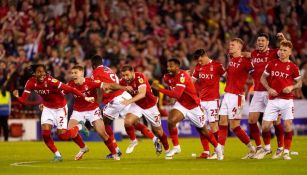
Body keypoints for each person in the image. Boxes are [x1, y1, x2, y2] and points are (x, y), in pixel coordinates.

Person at [13, 64, 93, 161]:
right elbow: (24, 100)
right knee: (45, 134)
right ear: (34, 74)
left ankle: (79, 126)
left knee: (63, 136)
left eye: (43, 71)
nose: (42, 74)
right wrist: (17, 96)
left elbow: (70, 89)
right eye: (39, 72)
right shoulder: (30, 83)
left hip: (60, 108)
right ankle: (57, 155)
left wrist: (85, 97)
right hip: (47, 108)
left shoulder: (51, 81)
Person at [152, 58, 223, 160]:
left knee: (203, 131)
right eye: (168, 66)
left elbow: (177, 93)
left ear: (177, 67)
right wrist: (172, 96)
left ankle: (217, 147)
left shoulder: (183, 76)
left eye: (171, 66)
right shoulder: (166, 77)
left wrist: (159, 89)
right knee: (171, 121)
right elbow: (172, 88)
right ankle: (176, 147)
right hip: (181, 105)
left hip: (193, 106)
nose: (168, 68)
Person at [256, 40, 302, 160]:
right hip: (273, 99)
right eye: (280, 50)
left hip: (287, 101)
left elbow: (300, 83)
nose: (281, 52)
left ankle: (286, 151)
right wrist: (269, 88)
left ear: (290, 52)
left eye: (284, 50)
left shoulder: (293, 67)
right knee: (265, 127)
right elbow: (262, 79)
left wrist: (292, 87)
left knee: (287, 125)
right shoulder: (272, 63)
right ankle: (267, 148)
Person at [107, 65, 167, 155]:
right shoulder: (124, 81)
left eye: (127, 75)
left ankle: (167, 150)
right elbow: (115, 87)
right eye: (123, 75)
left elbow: (142, 94)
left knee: (158, 130)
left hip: (150, 105)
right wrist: (108, 89)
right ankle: (133, 141)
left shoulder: (140, 77)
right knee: (127, 122)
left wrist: (129, 101)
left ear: (132, 72)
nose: (125, 78)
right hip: (137, 104)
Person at [247, 33, 287, 158]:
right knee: (252, 120)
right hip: (257, 91)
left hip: (271, 92)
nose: (260, 42)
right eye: (259, 40)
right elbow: (247, 57)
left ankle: (280, 147)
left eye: (263, 40)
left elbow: (286, 50)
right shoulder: (254, 54)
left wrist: (283, 39)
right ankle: (260, 147)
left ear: (267, 42)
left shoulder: (274, 53)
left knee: (275, 121)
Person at [66, 65, 119, 160]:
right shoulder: (70, 84)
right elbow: (59, 93)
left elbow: (105, 86)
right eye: (72, 73)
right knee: (71, 132)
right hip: (78, 111)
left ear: (82, 73)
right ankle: (83, 148)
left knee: (102, 133)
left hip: (92, 110)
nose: (73, 75)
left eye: (75, 73)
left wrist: (118, 87)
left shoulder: (90, 82)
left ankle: (114, 154)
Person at [218, 38, 256, 159]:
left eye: (233, 45)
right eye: (230, 45)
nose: (230, 46)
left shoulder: (246, 61)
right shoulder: (232, 59)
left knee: (234, 126)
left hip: (237, 96)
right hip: (227, 95)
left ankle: (252, 148)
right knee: (222, 122)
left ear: (240, 47)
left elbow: (256, 73)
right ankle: (221, 151)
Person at [90, 55, 132, 159]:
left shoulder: (95, 73)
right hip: (122, 95)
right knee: (107, 123)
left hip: (114, 99)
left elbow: (99, 89)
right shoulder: (107, 69)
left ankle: (115, 150)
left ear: (93, 65)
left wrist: (97, 103)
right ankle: (116, 149)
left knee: (102, 125)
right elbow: (116, 81)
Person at [192, 49, 225, 159]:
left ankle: (217, 150)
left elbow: (228, 77)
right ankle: (206, 151)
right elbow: (192, 81)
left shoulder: (217, 65)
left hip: (213, 101)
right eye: (197, 60)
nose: (199, 62)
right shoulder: (198, 67)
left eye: (200, 59)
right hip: (201, 101)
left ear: (205, 55)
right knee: (200, 125)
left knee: (213, 126)